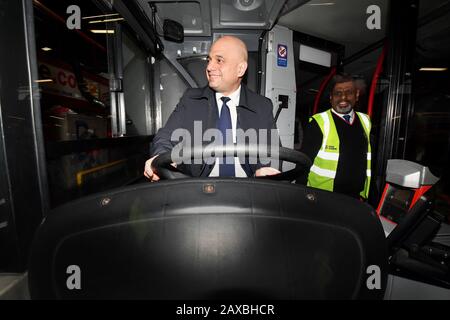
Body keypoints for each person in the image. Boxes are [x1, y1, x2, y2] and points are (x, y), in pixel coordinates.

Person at [144, 35, 280, 181]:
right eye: (209, 60)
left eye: (219, 60)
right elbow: (165, 138)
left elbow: (271, 151)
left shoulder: (262, 106)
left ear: (240, 69)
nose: (209, 67)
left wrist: (265, 169)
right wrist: (160, 158)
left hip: (248, 188)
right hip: (199, 189)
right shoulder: (190, 100)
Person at [298, 73, 372, 200]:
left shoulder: (365, 120)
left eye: (349, 92)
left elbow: (366, 160)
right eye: (338, 93)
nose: (343, 98)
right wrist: (301, 197)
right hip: (324, 198)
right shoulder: (319, 122)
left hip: (355, 198)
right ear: (331, 98)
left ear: (357, 95)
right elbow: (303, 163)